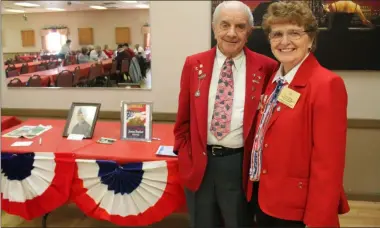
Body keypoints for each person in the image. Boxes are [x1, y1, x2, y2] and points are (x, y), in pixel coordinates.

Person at [173, 1, 278, 227]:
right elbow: (182, 119)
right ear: (214, 28)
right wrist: (184, 155)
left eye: (240, 27)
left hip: (238, 165)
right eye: (225, 25)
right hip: (199, 164)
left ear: (249, 32)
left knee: (238, 222)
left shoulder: (267, 67)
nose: (232, 33)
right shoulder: (194, 64)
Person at [246, 1, 350, 227]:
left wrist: (319, 219)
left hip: (297, 208)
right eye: (277, 34)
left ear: (311, 39)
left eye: (294, 33)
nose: (284, 42)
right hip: (264, 199)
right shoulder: (275, 80)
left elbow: (328, 164)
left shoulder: (326, 85)